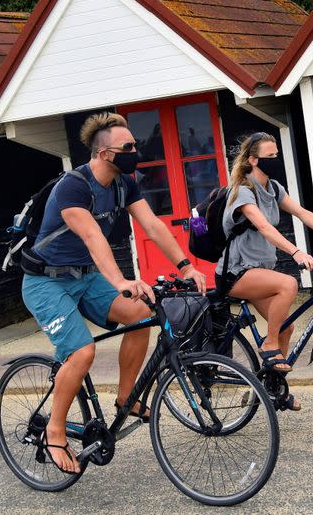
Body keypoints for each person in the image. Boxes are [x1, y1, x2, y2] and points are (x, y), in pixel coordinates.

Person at [22, 112, 207, 473]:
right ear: (105, 154)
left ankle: (127, 398)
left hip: (87, 277)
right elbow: (92, 237)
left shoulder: (125, 183)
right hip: (47, 281)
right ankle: (55, 431)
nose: (136, 151)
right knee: (81, 351)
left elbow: (152, 225)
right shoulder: (74, 186)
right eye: (129, 147)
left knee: (140, 315)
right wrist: (122, 281)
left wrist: (186, 266)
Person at [217, 132, 313, 410]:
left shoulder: (274, 188)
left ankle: (272, 387)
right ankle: (269, 345)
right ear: (254, 160)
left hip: (259, 272)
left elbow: (304, 214)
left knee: (287, 324)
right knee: (288, 285)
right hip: (236, 272)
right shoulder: (243, 191)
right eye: (270, 157)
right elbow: (264, 227)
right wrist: (295, 252)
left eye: (277, 155)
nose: (276, 160)